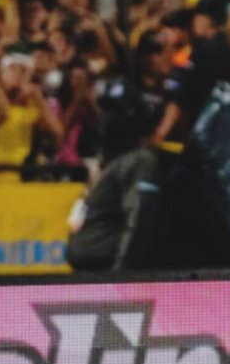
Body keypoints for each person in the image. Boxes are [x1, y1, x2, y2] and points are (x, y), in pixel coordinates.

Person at [66, 81, 174, 272]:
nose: (107, 119)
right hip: (90, 277)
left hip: (112, 280)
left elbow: (139, 223)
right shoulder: (109, 164)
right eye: (105, 111)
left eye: (116, 112)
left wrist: (121, 276)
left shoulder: (141, 162)